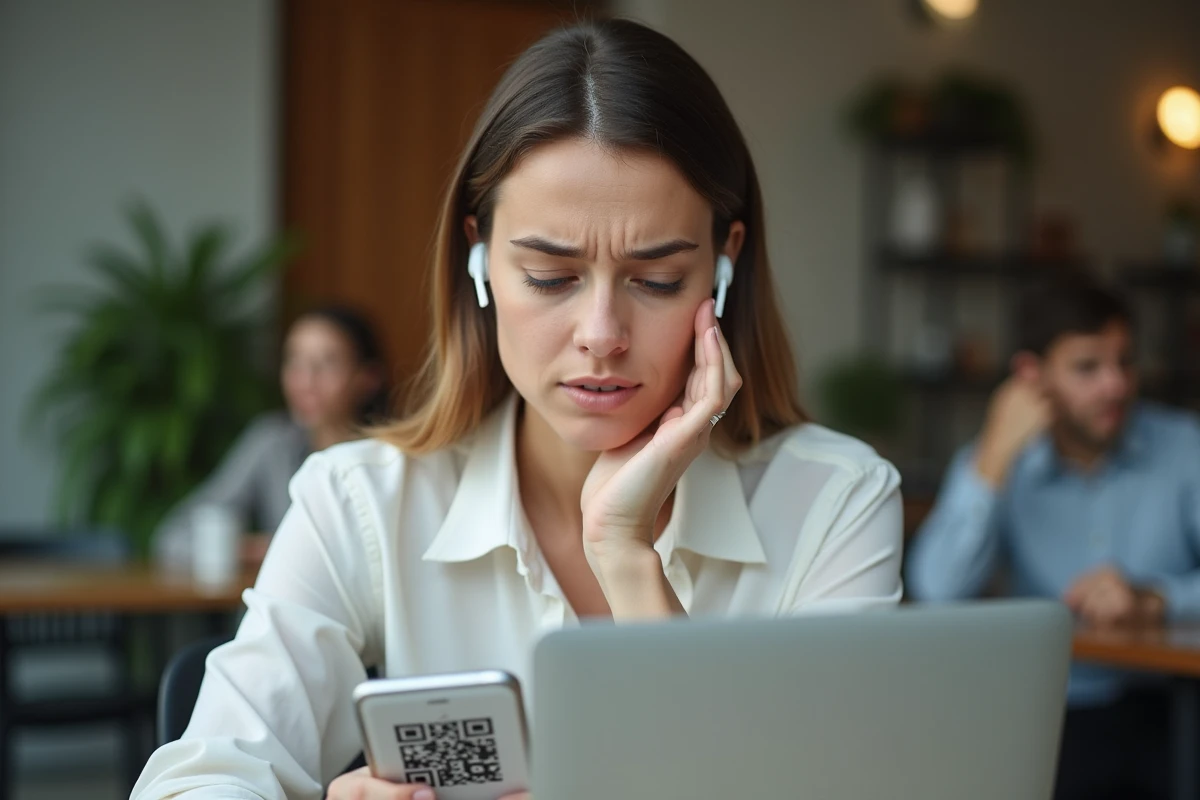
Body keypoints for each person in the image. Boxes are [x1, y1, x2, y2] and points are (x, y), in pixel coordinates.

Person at [133, 19, 903, 800]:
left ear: (724, 263)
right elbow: (199, 781)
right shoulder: (360, 500)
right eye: (550, 276)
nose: (601, 335)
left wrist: (625, 552)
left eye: (657, 281)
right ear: (478, 257)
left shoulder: (832, 502)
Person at [906, 278, 1200, 800]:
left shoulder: (1185, 449)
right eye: (1088, 368)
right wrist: (994, 459)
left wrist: (1157, 599)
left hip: (1175, 710)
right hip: (1050, 713)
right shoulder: (995, 461)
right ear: (1032, 376)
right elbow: (937, 590)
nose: (1115, 385)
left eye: (1125, 362)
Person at [152, 305, 389, 568]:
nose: (306, 381)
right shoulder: (273, 442)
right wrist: (252, 549)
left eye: (327, 363)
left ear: (368, 378)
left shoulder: (390, 457)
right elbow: (173, 537)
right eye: (295, 362)